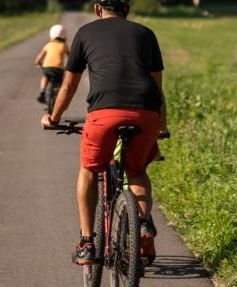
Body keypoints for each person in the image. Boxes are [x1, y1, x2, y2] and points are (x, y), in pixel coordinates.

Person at [41, 0, 168, 266]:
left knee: (89, 170)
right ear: (128, 10)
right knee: (137, 171)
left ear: (98, 9)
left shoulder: (86, 33)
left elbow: (68, 86)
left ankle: (87, 243)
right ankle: (143, 226)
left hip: (104, 113)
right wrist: (162, 126)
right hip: (146, 112)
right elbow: (158, 89)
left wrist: (53, 118)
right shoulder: (146, 33)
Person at [35, 24, 69, 106]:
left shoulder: (48, 45)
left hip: (47, 67)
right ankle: (57, 95)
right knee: (59, 83)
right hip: (59, 68)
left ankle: (42, 90)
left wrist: (39, 64)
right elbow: (71, 57)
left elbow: (38, 59)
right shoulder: (64, 46)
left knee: (45, 76)